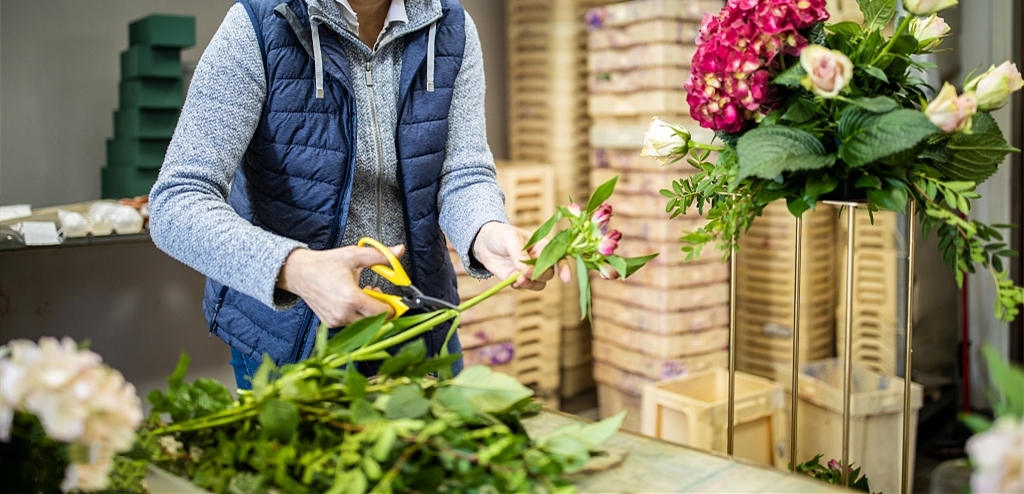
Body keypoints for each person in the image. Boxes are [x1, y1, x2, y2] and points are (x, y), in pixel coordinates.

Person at [148, 0, 567, 389]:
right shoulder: (259, 25)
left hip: (418, 327)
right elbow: (177, 201)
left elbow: (462, 171)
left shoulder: (450, 27)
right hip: (292, 343)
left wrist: (486, 231)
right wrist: (296, 269)